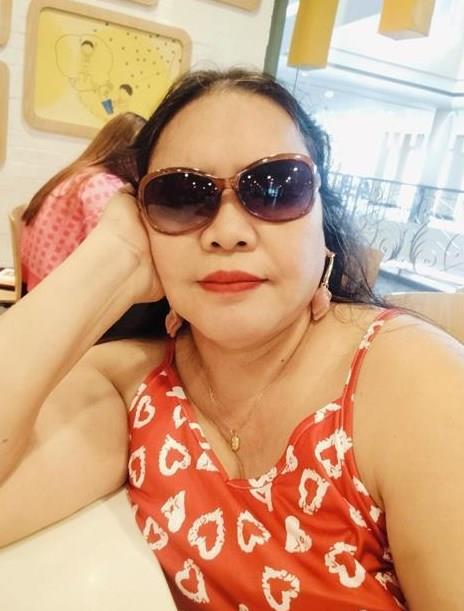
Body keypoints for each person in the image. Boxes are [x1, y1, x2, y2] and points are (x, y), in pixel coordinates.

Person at [0, 69, 463, 610]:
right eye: (179, 197)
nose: (227, 232)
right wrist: (114, 257)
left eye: (276, 188)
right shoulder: (134, 388)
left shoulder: (414, 382)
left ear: (324, 227)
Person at [21, 111, 146, 292]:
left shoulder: (79, 172)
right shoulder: (102, 185)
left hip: (36, 282)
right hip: (59, 293)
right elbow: (111, 255)